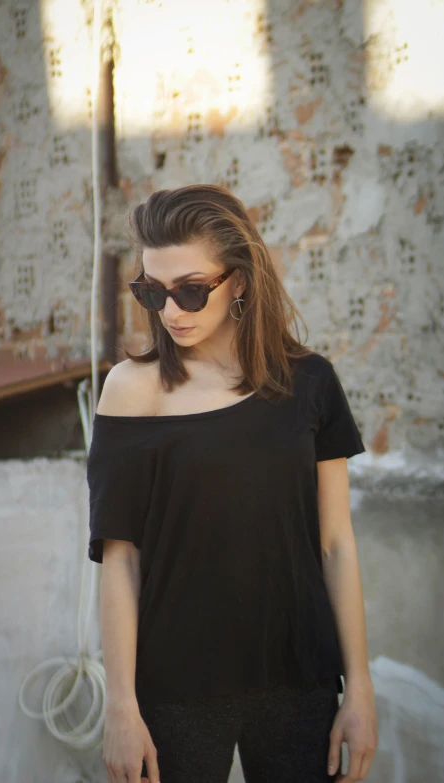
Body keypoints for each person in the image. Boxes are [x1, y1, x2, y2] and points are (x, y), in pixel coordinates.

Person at [86, 184, 378, 783]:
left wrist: (362, 688)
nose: (171, 312)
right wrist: (121, 705)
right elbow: (120, 559)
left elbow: (336, 545)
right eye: (152, 292)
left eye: (191, 290)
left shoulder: (310, 384)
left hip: (300, 683)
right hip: (173, 694)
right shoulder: (131, 389)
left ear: (239, 281)